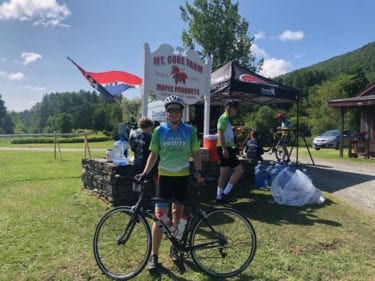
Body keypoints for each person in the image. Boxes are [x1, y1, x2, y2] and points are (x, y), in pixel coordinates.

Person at [136, 95, 204, 271]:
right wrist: (145, 172)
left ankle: (176, 246)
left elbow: (196, 153)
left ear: (181, 112)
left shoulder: (190, 130)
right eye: (170, 109)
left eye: (177, 109)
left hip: (182, 177)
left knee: (177, 213)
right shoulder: (159, 131)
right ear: (166, 112)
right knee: (160, 217)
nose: (174, 112)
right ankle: (154, 255)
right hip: (164, 178)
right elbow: (154, 154)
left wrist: (199, 170)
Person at [216, 99, 244, 204]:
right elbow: (220, 133)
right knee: (239, 170)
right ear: (229, 108)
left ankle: (219, 196)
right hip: (225, 148)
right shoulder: (224, 118)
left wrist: (236, 132)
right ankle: (226, 193)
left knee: (224, 174)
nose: (236, 111)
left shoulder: (227, 119)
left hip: (225, 147)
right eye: (235, 109)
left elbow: (227, 134)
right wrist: (224, 149)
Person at [130, 117, 158, 187]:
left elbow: (133, 149)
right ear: (149, 127)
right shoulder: (151, 139)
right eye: (152, 127)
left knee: (138, 182)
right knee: (151, 185)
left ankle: (137, 196)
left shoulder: (137, 137)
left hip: (137, 164)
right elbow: (154, 153)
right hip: (148, 166)